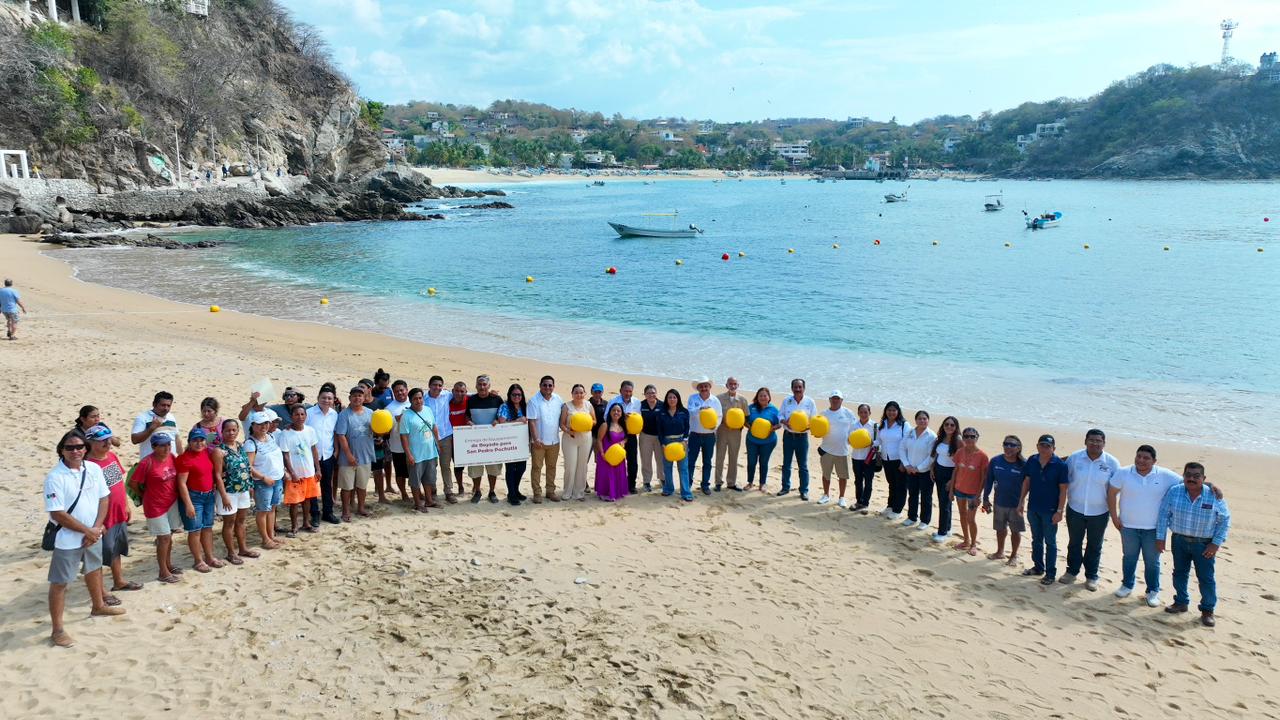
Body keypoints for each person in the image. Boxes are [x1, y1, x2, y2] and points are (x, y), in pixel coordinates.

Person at [45, 431, 122, 647]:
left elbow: (103, 498)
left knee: (94, 569)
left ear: (85, 448)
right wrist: (87, 531)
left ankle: (98, 605)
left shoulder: (94, 469)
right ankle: (57, 630)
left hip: (93, 533)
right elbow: (57, 513)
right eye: (70, 448)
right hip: (68, 538)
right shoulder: (55, 477)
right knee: (60, 582)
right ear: (61, 450)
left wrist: (96, 528)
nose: (76, 451)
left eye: (79, 447)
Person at [1156, 462, 1230, 627]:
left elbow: (1224, 520)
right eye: (1188, 475)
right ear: (1183, 476)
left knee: (1206, 578)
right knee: (1179, 573)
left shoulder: (1213, 495)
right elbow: (1163, 515)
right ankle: (1181, 602)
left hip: (1203, 544)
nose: (1191, 478)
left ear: (1203, 478)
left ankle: (1207, 610)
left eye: (1196, 476)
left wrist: (1216, 544)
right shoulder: (1174, 492)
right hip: (1179, 540)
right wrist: (1160, 538)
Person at [1108, 445, 1183, 607]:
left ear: (1154, 461)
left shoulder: (1165, 475)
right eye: (1139, 456)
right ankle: (1127, 585)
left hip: (1154, 529)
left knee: (1152, 562)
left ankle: (1152, 592)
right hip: (1127, 526)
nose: (1141, 460)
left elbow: (1188, 483)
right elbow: (1111, 493)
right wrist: (1114, 517)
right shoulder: (1123, 472)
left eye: (1146, 458)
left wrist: (1212, 486)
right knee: (1129, 557)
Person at [84, 425, 139, 605]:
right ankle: (101, 591)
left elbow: (118, 484)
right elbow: (88, 497)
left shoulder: (112, 457)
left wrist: (126, 505)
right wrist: (98, 522)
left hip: (118, 513)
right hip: (102, 519)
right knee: (97, 557)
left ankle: (119, 581)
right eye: (103, 441)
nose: (108, 443)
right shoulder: (88, 466)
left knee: (116, 549)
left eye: (109, 440)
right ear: (91, 443)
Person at [1060, 429, 1119, 591]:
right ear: (1085, 441)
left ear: (1104, 443)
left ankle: (1091, 576)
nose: (1095, 443)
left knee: (1094, 545)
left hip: (1099, 512)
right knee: (1074, 543)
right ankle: (1071, 572)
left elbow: (1117, 488)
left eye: (1098, 441)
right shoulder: (1075, 458)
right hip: (1075, 509)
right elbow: (1062, 477)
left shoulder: (1112, 463)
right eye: (1091, 440)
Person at [1018, 434, 1069, 584]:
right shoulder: (1032, 460)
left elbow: (1063, 490)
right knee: (1036, 540)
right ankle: (1038, 567)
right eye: (1042, 445)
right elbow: (1027, 482)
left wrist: (1060, 511)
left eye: (1048, 446)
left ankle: (1050, 574)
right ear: (1037, 446)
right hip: (1033, 507)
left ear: (1053, 448)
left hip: (1051, 511)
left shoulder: (1060, 465)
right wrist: (1021, 501)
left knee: (1050, 542)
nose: (1044, 448)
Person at [131, 433, 182, 582]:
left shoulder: (171, 457)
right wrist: (144, 495)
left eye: (168, 444)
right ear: (153, 447)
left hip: (171, 502)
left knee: (169, 535)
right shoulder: (146, 463)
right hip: (155, 505)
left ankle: (168, 564)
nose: (166, 448)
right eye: (162, 445)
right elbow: (133, 483)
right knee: (163, 538)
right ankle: (163, 572)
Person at [175, 427, 222, 572]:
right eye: (195, 440)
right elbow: (181, 483)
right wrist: (188, 504)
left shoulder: (206, 453)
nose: (199, 443)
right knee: (195, 530)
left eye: (201, 440)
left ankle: (209, 556)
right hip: (194, 497)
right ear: (189, 442)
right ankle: (198, 560)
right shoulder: (184, 459)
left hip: (208, 495)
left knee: (207, 528)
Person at [212, 418, 257, 564]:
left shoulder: (240, 446)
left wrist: (249, 486)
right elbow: (217, 475)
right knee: (229, 522)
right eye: (227, 430)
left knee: (241, 521)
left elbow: (247, 467)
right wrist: (224, 496)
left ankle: (243, 548)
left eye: (234, 430)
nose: (231, 433)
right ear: (222, 432)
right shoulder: (219, 451)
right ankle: (231, 553)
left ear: (238, 431)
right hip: (229, 491)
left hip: (243, 489)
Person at [245, 411, 287, 549]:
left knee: (272, 508)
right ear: (253, 425)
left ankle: (271, 536)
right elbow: (248, 467)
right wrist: (263, 477)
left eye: (266, 423)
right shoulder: (250, 443)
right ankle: (265, 539)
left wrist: (283, 472)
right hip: (263, 482)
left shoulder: (270, 436)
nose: (263, 426)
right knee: (262, 511)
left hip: (276, 479)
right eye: (259, 424)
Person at [982, 435, 1026, 566]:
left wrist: (1022, 502)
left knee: (1015, 531)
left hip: (1016, 505)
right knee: (1000, 529)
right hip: (999, 502)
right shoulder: (995, 461)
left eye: (1012, 445)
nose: (1009, 447)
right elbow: (988, 480)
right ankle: (999, 552)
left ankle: (1013, 555)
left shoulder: (1024, 464)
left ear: (1018, 448)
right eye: (1006, 444)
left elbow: (1030, 484)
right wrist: (985, 498)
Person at [335, 386, 375, 521]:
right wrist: (349, 455)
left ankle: (361, 508)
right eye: (354, 396)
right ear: (350, 398)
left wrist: (380, 435)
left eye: (360, 395)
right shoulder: (344, 415)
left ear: (364, 398)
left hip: (366, 455)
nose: (357, 398)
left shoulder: (370, 413)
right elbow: (341, 436)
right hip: (347, 458)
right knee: (347, 487)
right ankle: (346, 511)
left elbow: (376, 430)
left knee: (362, 485)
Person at [281, 404, 321, 535]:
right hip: (295, 474)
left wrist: (318, 469)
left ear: (306, 416)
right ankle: (294, 526)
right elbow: (285, 455)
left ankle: (306, 522)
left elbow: (314, 450)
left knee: (307, 499)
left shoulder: (310, 431)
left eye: (302, 414)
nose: (300, 417)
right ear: (291, 416)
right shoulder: (285, 434)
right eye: (296, 414)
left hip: (309, 471)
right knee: (294, 501)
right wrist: (292, 472)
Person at [948, 427, 988, 555]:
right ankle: (966, 540)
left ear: (977, 437)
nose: (969, 439)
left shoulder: (982, 456)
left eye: (972, 436)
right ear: (963, 438)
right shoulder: (959, 452)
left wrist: (978, 495)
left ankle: (973, 544)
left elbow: (984, 477)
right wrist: (951, 489)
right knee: (962, 516)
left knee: (971, 519)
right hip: (959, 489)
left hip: (973, 493)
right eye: (966, 436)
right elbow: (955, 470)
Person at [400, 387, 440, 512]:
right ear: (410, 400)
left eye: (420, 398)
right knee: (415, 481)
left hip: (430, 452)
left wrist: (437, 444)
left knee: (429, 479)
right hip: (416, 454)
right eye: (415, 399)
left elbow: (434, 427)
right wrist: (409, 454)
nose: (418, 401)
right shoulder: (406, 416)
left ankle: (429, 500)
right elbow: (404, 437)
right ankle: (418, 503)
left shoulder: (428, 410)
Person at [305, 387, 342, 524]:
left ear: (333, 400)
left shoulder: (334, 414)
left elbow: (335, 434)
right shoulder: (309, 413)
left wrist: (336, 450)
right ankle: (314, 514)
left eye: (329, 398)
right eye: (324, 398)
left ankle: (328, 512)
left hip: (328, 455)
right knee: (313, 486)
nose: (326, 400)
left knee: (327, 485)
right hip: (310, 456)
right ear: (318, 398)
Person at [466, 375, 505, 503]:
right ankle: (477, 491)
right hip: (475, 440)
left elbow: (503, 413)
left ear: (489, 386)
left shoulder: (497, 399)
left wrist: (497, 420)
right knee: (475, 469)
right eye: (480, 384)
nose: (482, 387)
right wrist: (469, 422)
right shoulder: (471, 400)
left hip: (492, 440)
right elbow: (467, 416)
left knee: (493, 468)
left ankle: (492, 491)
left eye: (485, 384)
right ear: (476, 386)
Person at [777, 378, 817, 500]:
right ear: (792, 388)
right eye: (795, 387)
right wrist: (784, 421)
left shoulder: (810, 402)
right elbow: (780, 415)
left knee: (803, 466)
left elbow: (814, 420)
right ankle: (785, 487)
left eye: (800, 387)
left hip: (802, 437)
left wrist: (808, 426)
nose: (798, 389)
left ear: (804, 388)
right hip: (788, 436)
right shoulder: (787, 401)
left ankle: (804, 490)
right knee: (786, 464)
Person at [527, 375, 564, 503]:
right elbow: (531, 422)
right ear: (540, 385)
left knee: (551, 467)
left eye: (550, 385)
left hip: (554, 441)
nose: (547, 387)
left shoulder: (558, 399)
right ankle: (537, 493)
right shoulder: (533, 401)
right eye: (545, 385)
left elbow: (563, 418)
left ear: (553, 386)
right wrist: (536, 438)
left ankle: (550, 491)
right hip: (539, 442)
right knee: (537, 468)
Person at [816, 391, 856, 506]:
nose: (835, 400)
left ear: (841, 400)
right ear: (829, 399)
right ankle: (826, 495)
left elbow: (854, 428)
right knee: (826, 474)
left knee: (842, 476)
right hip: (826, 450)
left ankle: (841, 497)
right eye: (833, 398)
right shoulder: (824, 413)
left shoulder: (848, 413)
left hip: (843, 451)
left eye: (837, 398)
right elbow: (817, 429)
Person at [900, 410, 937, 530]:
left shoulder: (932, 436)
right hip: (910, 470)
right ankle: (911, 517)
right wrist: (907, 465)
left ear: (928, 420)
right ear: (915, 420)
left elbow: (931, 456)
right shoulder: (910, 432)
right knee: (913, 495)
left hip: (925, 472)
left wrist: (918, 468)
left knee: (926, 497)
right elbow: (902, 448)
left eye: (924, 418)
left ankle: (925, 521)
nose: (922, 421)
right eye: (920, 418)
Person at [686, 376, 722, 496]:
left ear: (709, 387)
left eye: (706, 386)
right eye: (701, 386)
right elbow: (690, 412)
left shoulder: (715, 400)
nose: (703, 388)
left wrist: (715, 427)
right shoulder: (692, 398)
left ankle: (705, 485)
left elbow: (719, 416)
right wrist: (700, 408)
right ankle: (688, 484)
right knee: (691, 461)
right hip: (695, 435)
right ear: (698, 388)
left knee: (707, 462)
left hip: (709, 436)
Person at [605, 381, 643, 493]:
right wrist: (621, 417)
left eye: (630, 391)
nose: (628, 393)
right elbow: (606, 416)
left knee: (632, 461)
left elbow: (640, 418)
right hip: (617, 434)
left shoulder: (636, 402)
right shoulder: (613, 401)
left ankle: (631, 484)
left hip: (631, 435)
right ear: (620, 390)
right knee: (616, 459)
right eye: (625, 391)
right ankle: (615, 483)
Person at [559, 384, 595, 501]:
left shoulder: (588, 405)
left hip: (585, 438)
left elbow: (594, 421)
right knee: (570, 466)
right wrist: (569, 431)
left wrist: (587, 424)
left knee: (582, 466)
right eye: (576, 392)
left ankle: (579, 492)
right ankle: (567, 492)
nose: (579, 395)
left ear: (584, 394)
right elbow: (562, 424)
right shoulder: (566, 406)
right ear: (572, 394)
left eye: (581, 392)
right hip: (570, 438)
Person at [425, 376, 458, 504]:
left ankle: (448, 491)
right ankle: (432, 491)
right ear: (429, 385)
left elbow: (465, 395)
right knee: (431, 466)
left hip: (445, 436)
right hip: (429, 437)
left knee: (446, 465)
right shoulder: (423, 398)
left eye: (440, 385)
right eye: (434, 385)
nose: (437, 388)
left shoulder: (447, 395)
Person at [714, 377, 750, 492]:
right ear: (726, 385)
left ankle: (731, 482)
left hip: (735, 433)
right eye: (730, 384)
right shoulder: (718, 398)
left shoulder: (743, 400)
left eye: (735, 384)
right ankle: (718, 482)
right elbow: (715, 415)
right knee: (720, 457)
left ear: (738, 385)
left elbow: (746, 417)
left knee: (733, 457)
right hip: (722, 431)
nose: (733, 386)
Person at [496, 383, 529, 505]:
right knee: (510, 469)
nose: (516, 396)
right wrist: (517, 421)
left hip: (522, 442)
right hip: (508, 442)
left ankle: (515, 490)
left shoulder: (525, 407)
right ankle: (512, 494)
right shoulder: (504, 407)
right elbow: (501, 424)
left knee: (521, 468)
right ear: (509, 395)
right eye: (514, 394)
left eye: (519, 394)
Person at [657, 389, 692, 501]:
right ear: (666, 399)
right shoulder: (661, 412)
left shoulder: (684, 412)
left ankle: (686, 492)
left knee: (683, 468)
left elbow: (687, 427)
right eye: (669, 397)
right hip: (667, 442)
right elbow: (659, 430)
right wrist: (662, 443)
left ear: (678, 399)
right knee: (667, 467)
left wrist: (685, 440)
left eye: (674, 397)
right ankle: (668, 488)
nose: (672, 399)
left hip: (681, 442)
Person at [929, 416, 960, 542]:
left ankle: (941, 533)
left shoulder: (958, 441)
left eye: (952, 425)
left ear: (956, 427)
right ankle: (947, 529)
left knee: (944, 504)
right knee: (944, 502)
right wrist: (932, 468)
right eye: (946, 424)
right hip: (938, 471)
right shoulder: (941, 438)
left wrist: (952, 480)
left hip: (950, 474)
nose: (949, 427)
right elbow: (937, 455)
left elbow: (960, 462)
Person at [875, 401, 907, 518]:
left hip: (899, 460)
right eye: (889, 410)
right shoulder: (883, 424)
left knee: (901, 485)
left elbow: (907, 444)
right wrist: (871, 443)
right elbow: (879, 440)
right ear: (885, 411)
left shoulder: (903, 425)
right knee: (891, 484)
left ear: (898, 412)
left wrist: (904, 462)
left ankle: (898, 510)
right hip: (886, 459)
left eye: (894, 410)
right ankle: (890, 506)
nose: (891, 412)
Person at [381, 379, 411, 503]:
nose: (400, 393)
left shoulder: (414, 402)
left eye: (402, 390)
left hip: (415, 445)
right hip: (397, 446)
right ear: (393, 392)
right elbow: (385, 430)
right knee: (400, 473)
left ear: (407, 390)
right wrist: (396, 420)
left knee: (415, 471)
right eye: (396, 391)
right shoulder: (389, 409)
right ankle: (403, 493)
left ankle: (417, 491)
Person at [745, 387, 780, 491]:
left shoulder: (774, 410)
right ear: (757, 397)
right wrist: (749, 427)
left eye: (765, 395)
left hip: (768, 442)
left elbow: (779, 424)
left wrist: (773, 428)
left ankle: (762, 483)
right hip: (752, 440)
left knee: (763, 462)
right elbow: (744, 420)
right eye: (761, 395)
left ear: (769, 397)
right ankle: (750, 482)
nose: (763, 397)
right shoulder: (751, 408)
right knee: (751, 462)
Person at [132, 391, 182, 460]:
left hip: (170, 464)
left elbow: (176, 439)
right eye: (163, 405)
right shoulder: (143, 418)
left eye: (168, 406)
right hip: (150, 464)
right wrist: (152, 428)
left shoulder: (171, 417)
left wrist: (182, 458)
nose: (166, 408)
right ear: (154, 404)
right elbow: (134, 439)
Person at [595, 403, 629, 501]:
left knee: (618, 473)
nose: (616, 412)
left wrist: (623, 442)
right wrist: (602, 453)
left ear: (621, 413)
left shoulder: (623, 425)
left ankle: (616, 492)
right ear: (610, 412)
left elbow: (626, 437)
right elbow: (599, 440)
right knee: (607, 474)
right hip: (606, 454)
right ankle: (604, 493)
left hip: (618, 455)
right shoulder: (605, 425)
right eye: (614, 410)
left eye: (618, 411)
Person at [849, 403, 877, 512]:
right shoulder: (854, 425)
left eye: (866, 412)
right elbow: (848, 439)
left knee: (868, 481)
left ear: (869, 413)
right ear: (858, 413)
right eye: (861, 412)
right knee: (858, 480)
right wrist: (855, 441)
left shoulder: (875, 426)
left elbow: (879, 441)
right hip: (856, 457)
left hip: (870, 457)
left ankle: (865, 503)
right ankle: (858, 501)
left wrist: (871, 442)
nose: (863, 414)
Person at [637, 385, 663, 492]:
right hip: (645, 436)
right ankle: (647, 482)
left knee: (660, 460)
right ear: (645, 394)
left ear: (656, 393)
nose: (651, 395)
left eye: (653, 392)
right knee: (646, 460)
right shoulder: (640, 405)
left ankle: (663, 479)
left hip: (659, 437)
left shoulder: (662, 405)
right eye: (648, 393)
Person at [448, 381, 469, 497]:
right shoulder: (447, 403)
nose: (459, 394)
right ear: (452, 391)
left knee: (472, 463)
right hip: (452, 438)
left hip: (467, 438)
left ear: (466, 392)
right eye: (457, 391)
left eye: (462, 391)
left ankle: (476, 487)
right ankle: (460, 487)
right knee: (457, 465)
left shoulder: (469, 400)